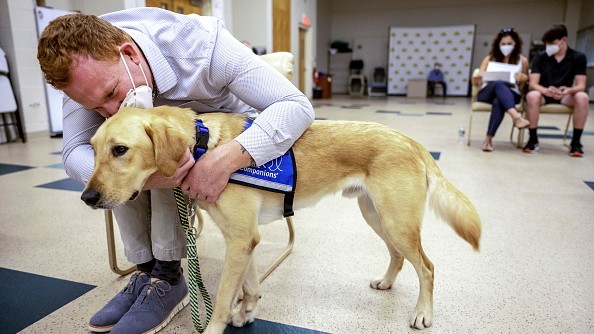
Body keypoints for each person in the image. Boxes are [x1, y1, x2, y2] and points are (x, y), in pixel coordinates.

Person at [37, 7, 314, 334]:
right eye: (95, 106)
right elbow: (73, 152)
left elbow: (296, 107)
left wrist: (223, 159)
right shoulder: (81, 75)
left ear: (129, 54)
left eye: (111, 94)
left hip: (228, 136)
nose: (110, 111)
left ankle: (168, 276)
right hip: (161, 141)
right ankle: (147, 269)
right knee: (117, 165)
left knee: (169, 152)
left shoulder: (203, 46)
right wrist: (147, 175)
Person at [523, 24, 589, 157]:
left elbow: (581, 85)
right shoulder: (540, 57)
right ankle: (532, 139)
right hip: (544, 93)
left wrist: (569, 90)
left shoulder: (578, 57)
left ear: (563, 40)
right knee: (532, 96)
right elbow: (533, 83)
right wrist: (545, 90)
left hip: (565, 96)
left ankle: (576, 142)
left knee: (582, 97)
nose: (549, 47)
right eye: (547, 44)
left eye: (552, 43)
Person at [471, 28, 530, 152]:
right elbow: (476, 81)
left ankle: (488, 139)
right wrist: (477, 79)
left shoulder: (522, 61)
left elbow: (525, 83)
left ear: (515, 44)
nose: (506, 46)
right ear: (498, 45)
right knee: (498, 83)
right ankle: (516, 117)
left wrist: (523, 78)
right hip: (488, 92)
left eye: (509, 44)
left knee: (499, 101)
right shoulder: (489, 59)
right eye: (503, 44)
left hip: (511, 93)